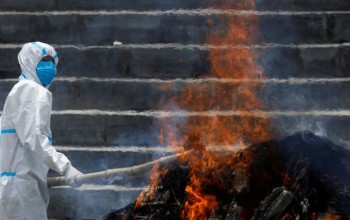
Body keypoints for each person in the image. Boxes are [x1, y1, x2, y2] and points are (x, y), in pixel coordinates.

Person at [0, 42, 82, 219]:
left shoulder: (18, 90)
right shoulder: (33, 91)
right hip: (23, 190)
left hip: (13, 188)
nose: (49, 66)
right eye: (43, 61)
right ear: (29, 62)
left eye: (51, 61)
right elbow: (35, 139)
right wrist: (66, 167)